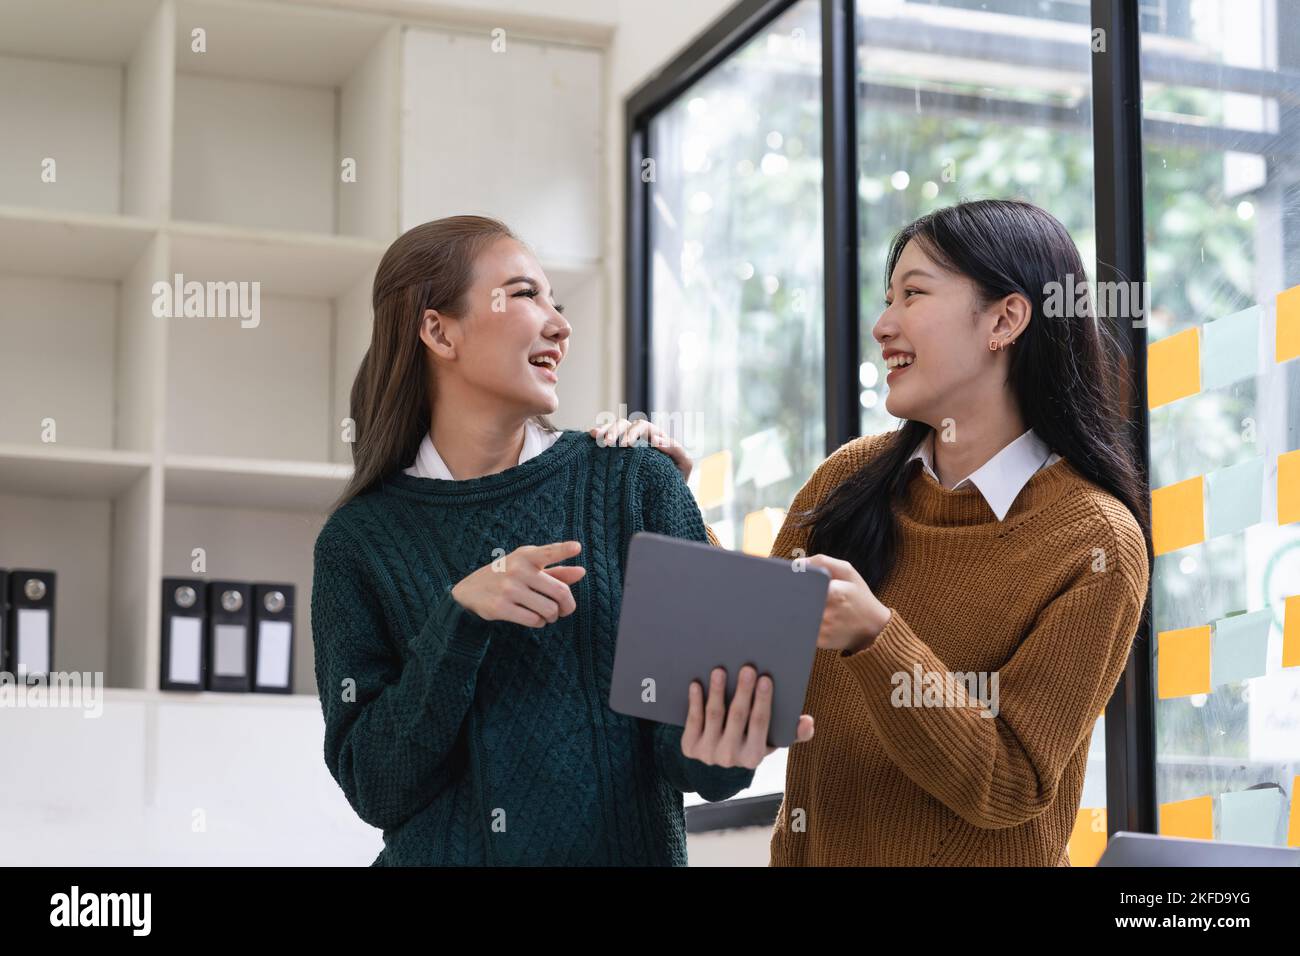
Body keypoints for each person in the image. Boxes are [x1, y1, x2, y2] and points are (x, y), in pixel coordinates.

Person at [310, 215, 807, 867]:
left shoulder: (636, 480)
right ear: (438, 329)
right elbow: (377, 787)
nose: (559, 324)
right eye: (523, 294)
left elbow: (690, 759)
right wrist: (459, 619)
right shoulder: (357, 542)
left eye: (556, 300)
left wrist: (731, 746)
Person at [762, 198, 1152, 865]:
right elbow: (750, 653)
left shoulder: (1095, 544)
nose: (883, 325)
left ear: (1005, 319)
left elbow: (1009, 784)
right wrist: (657, 492)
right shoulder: (847, 482)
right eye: (888, 299)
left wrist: (877, 639)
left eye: (913, 295)